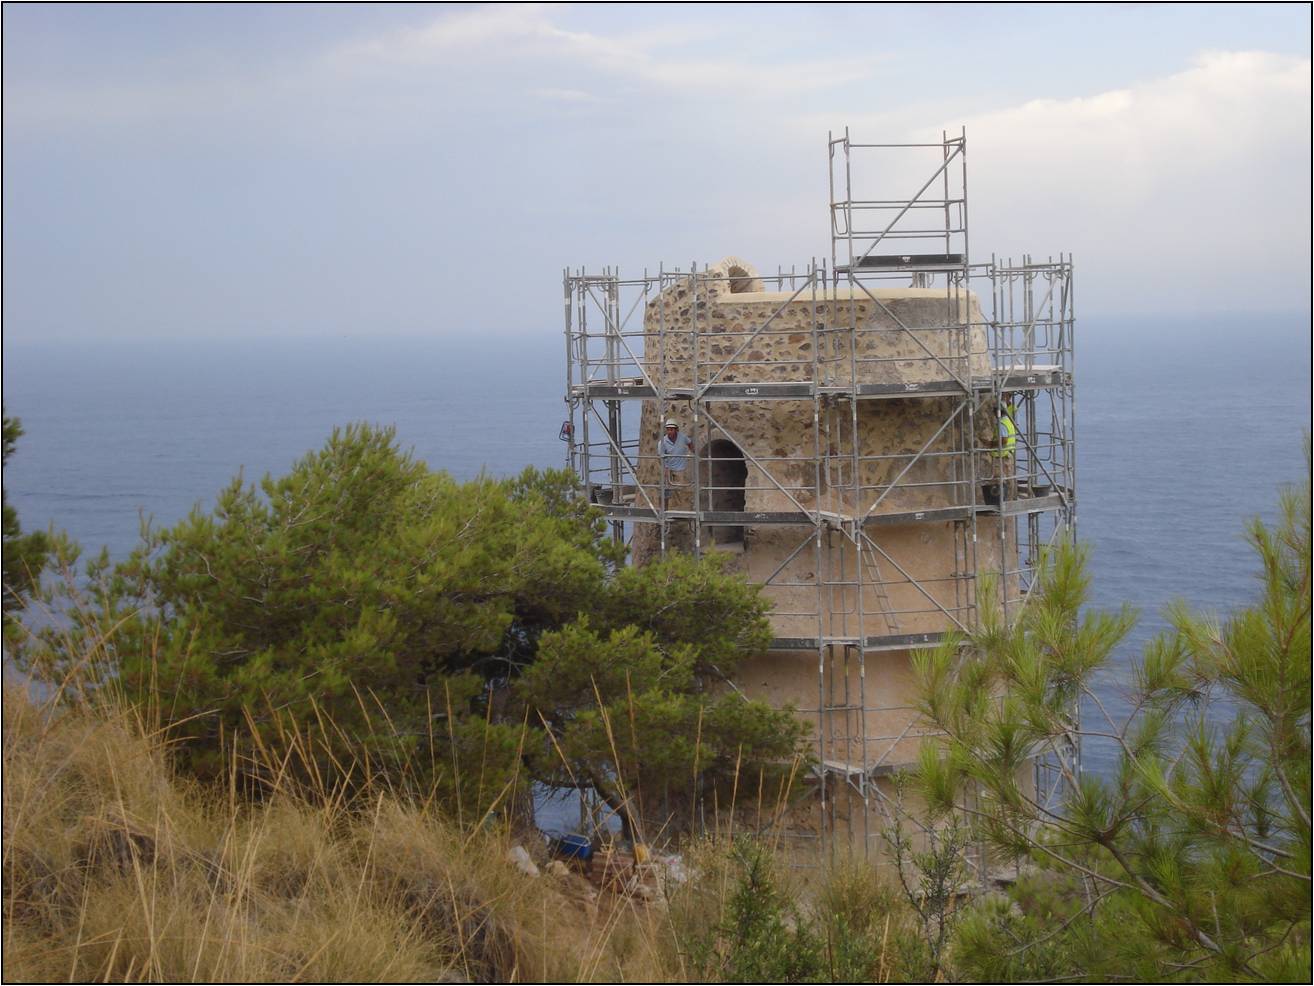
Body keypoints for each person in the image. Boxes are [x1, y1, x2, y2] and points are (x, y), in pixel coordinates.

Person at [659, 418, 694, 488]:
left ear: (676, 429)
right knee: (671, 492)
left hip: (682, 469)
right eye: (668, 429)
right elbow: (661, 457)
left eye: (671, 429)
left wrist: (693, 452)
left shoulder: (682, 437)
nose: (669, 431)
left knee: (682, 491)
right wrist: (665, 469)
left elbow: (690, 443)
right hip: (669, 470)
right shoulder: (662, 442)